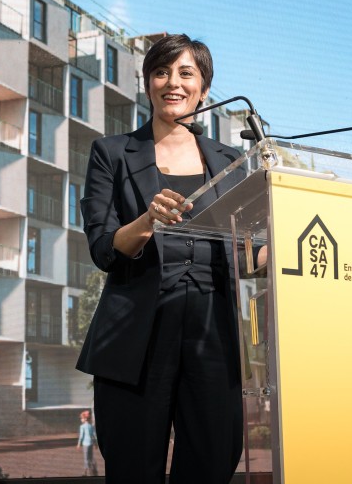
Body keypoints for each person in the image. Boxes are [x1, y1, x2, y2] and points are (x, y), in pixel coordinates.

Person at [76, 34, 257, 484]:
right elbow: (103, 248)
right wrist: (146, 221)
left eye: (185, 73)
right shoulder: (111, 153)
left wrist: (279, 249)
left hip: (213, 338)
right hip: (134, 339)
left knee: (212, 465)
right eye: (161, 72)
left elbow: (247, 252)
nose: (172, 82)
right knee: (133, 471)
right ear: (147, 85)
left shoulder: (233, 161)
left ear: (204, 89)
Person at [77, 410, 99, 476]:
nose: (81, 420)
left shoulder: (82, 427)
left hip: (85, 444)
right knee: (91, 457)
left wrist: (78, 444)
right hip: (91, 444)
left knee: (86, 458)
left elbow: (81, 436)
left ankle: (85, 472)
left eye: (81, 418)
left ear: (85, 419)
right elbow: (94, 435)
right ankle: (93, 470)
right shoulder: (91, 426)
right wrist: (96, 444)